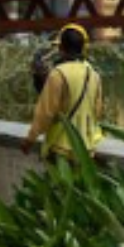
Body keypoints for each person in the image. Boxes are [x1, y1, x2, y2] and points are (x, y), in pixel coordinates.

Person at [21, 23, 104, 161]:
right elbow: (98, 111)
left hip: (61, 149)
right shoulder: (94, 75)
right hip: (86, 150)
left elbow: (45, 113)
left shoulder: (58, 74)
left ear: (61, 48)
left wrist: (29, 140)